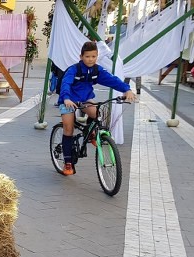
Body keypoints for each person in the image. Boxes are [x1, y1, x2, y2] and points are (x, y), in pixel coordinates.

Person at [57, 41, 136, 176]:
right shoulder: (73, 70)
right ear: (81, 57)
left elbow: (112, 80)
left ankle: (91, 133)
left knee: (97, 112)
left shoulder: (96, 70)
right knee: (68, 129)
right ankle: (68, 162)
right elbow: (66, 83)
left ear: (97, 56)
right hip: (68, 100)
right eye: (87, 56)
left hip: (85, 99)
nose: (90, 59)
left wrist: (126, 89)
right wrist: (66, 98)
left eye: (93, 56)